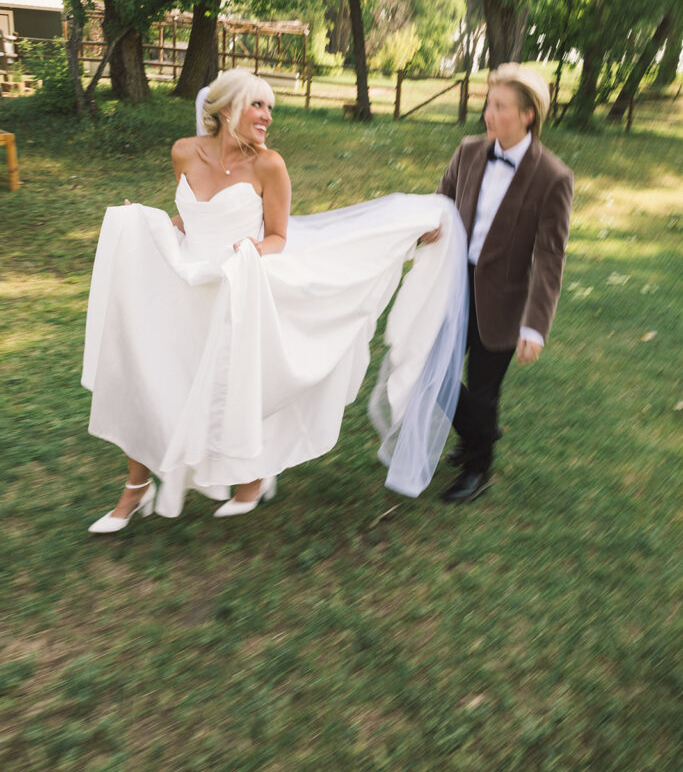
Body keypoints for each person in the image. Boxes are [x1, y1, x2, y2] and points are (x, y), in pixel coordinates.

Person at [83, 68, 470, 532]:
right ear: (227, 109)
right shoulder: (184, 151)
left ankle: (253, 473)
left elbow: (279, 237)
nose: (267, 116)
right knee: (151, 378)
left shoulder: (270, 165)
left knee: (240, 385)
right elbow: (189, 218)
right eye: (258, 105)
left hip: (239, 284)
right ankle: (136, 488)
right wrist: (145, 227)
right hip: (187, 283)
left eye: (270, 107)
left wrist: (246, 255)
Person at [423, 63, 573, 503]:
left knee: (484, 387)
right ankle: (481, 430)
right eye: (489, 103)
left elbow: (550, 256)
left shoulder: (553, 177)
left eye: (500, 107)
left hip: (504, 299)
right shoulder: (468, 151)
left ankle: (477, 469)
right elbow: (441, 203)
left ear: (528, 115)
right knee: (430, 373)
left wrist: (535, 325)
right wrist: (427, 226)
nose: (489, 114)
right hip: (453, 285)